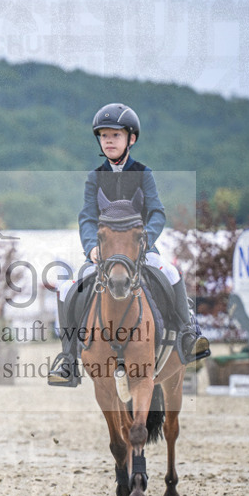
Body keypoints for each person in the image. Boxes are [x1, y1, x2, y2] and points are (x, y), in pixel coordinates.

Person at [48, 103, 211, 387]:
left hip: (140, 249)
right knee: (66, 288)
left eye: (115, 135)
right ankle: (68, 358)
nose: (109, 141)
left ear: (130, 139)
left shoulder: (144, 174)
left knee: (171, 273)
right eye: (104, 136)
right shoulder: (94, 178)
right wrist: (91, 247)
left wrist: (145, 238)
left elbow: (158, 212)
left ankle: (187, 335)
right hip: (105, 253)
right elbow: (87, 216)